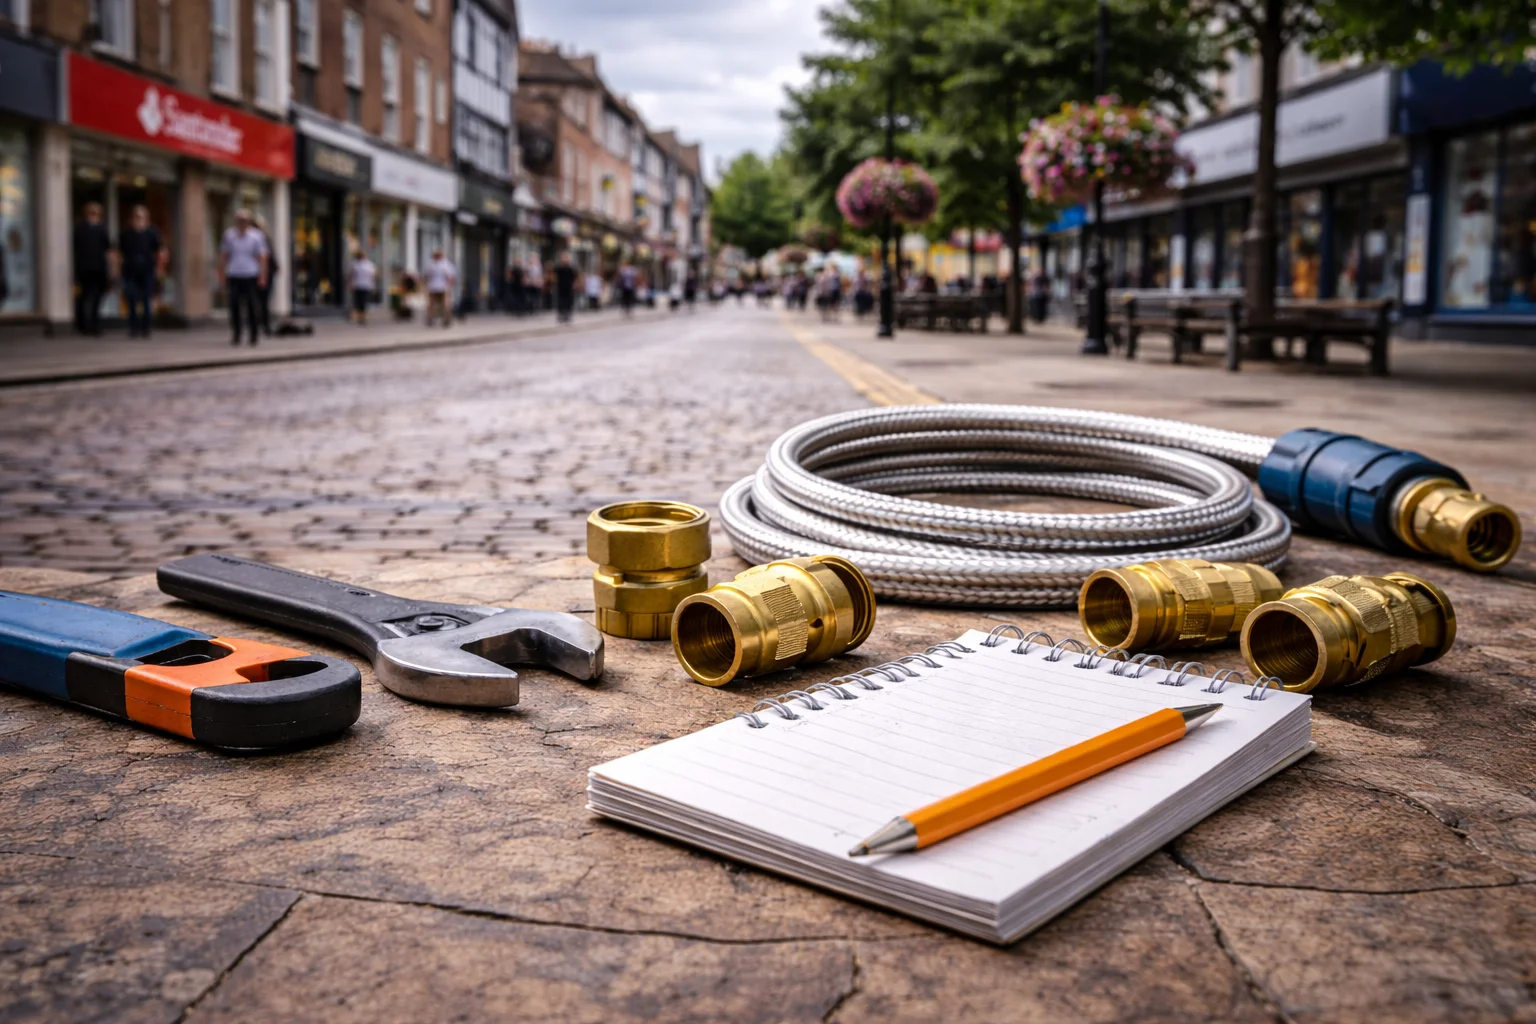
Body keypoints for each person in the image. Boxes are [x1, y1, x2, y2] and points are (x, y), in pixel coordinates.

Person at [218, 208, 268, 346]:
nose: (242, 223)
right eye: (239, 220)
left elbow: (262, 256)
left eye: (244, 220)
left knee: (252, 305)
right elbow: (224, 254)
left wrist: (262, 275)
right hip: (234, 273)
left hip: (251, 274)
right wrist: (221, 272)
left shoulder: (256, 236)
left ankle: (253, 334)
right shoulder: (229, 235)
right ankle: (237, 334)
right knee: (234, 305)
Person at [118, 205, 163, 339]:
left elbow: (159, 251)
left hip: (147, 270)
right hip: (130, 271)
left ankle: (146, 327)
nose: (139, 220)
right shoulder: (126, 233)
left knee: (146, 299)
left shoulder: (151, 233)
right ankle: (134, 327)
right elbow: (120, 252)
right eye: (136, 217)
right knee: (131, 299)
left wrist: (159, 269)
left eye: (141, 217)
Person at [73, 203, 112, 337]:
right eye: (91, 212)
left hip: (99, 268)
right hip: (85, 268)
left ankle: (94, 324)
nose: (94, 215)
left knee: (97, 297)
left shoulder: (102, 229)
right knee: (84, 296)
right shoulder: (80, 228)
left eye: (96, 213)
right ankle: (83, 325)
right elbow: (76, 248)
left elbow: (107, 246)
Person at [254, 215, 278, 336]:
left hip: (267, 273)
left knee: (264, 300)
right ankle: (260, 324)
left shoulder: (265, 239)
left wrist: (275, 267)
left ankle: (265, 325)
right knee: (257, 300)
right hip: (256, 274)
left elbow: (270, 256)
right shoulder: (255, 239)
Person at [423, 248, 456, 328]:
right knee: (432, 305)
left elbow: (450, 277)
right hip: (433, 287)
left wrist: (450, 285)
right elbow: (426, 276)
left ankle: (446, 319)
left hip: (442, 287)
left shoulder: (445, 264)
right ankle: (430, 319)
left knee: (444, 304)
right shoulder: (431, 264)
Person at [349, 249, 377, 325]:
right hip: (364, 285)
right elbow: (374, 275)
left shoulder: (358, 264)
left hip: (361, 285)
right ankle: (361, 317)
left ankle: (361, 317)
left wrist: (351, 284)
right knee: (362, 302)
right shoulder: (368, 265)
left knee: (361, 302)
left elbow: (351, 275)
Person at [554, 252, 577, 322]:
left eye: (566, 258)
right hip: (560, 287)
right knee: (560, 301)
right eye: (563, 258)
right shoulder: (558, 268)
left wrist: (574, 284)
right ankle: (561, 314)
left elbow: (574, 277)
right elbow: (554, 276)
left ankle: (567, 314)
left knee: (568, 301)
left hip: (568, 287)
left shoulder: (571, 268)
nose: (564, 260)